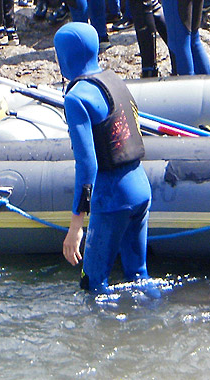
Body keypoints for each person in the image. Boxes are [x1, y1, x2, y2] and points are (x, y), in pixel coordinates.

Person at [56, 21, 152, 294]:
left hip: (112, 198)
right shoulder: (114, 80)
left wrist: (76, 225)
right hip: (140, 187)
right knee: (138, 275)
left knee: (93, 285)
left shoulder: (76, 98)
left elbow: (87, 164)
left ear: (64, 56)